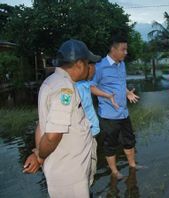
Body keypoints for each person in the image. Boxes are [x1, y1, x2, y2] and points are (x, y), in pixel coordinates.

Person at [23, 39, 101, 197]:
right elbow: (52, 136)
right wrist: (39, 156)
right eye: (88, 63)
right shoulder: (64, 89)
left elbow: (41, 125)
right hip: (69, 174)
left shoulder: (52, 82)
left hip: (68, 170)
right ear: (79, 64)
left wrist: (39, 153)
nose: (89, 68)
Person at [90, 35, 141, 180]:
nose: (126, 52)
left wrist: (127, 93)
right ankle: (114, 171)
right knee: (110, 144)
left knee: (129, 140)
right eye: (123, 49)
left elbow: (121, 84)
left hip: (123, 112)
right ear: (113, 49)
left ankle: (132, 165)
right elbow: (91, 87)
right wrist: (107, 96)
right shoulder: (100, 66)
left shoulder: (121, 64)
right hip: (108, 114)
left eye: (126, 49)